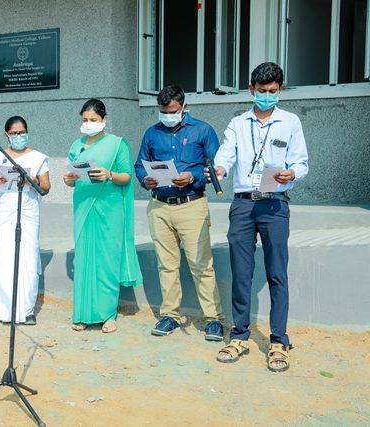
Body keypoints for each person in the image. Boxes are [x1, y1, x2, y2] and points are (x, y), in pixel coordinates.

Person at [210, 62, 309, 372]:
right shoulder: (238, 122)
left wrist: (291, 174)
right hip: (243, 205)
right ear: (251, 90)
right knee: (241, 272)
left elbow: (301, 162)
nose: (267, 96)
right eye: (262, 91)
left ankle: (279, 340)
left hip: (275, 204)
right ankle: (239, 335)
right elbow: (226, 152)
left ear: (280, 91)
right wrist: (221, 168)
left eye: (273, 92)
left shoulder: (290, 122)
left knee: (277, 273)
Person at [134, 85, 224, 341]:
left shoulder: (203, 130)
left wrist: (193, 175)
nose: (167, 115)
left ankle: (213, 319)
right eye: (163, 111)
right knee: (167, 266)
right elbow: (140, 164)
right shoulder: (152, 133)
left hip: (192, 205)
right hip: (160, 206)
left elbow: (216, 167)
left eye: (172, 111)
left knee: (201, 265)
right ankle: (170, 316)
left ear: (184, 107)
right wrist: (145, 179)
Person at [63, 98, 143, 333]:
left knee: (107, 259)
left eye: (93, 120)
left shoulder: (117, 144)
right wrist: (68, 179)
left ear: (104, 120)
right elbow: (70, 175)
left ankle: (108, 314)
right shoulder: (77, 145)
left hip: (110, 207)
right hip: (84, 206)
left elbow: (127, 177)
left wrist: (109, 174)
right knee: (85, 258)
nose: (89, 124)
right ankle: (83, 314)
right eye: (85, 120)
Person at [0, 116, 51, 325]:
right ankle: (3, 310)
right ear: (6, 135)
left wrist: (32, 181)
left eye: (22, 132)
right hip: (4, 209)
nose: (19, 136)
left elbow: (46, 187)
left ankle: (27, 310)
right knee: (4, 256)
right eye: (14, 133)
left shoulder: (39, 157)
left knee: (28, 257)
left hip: (28, 209)